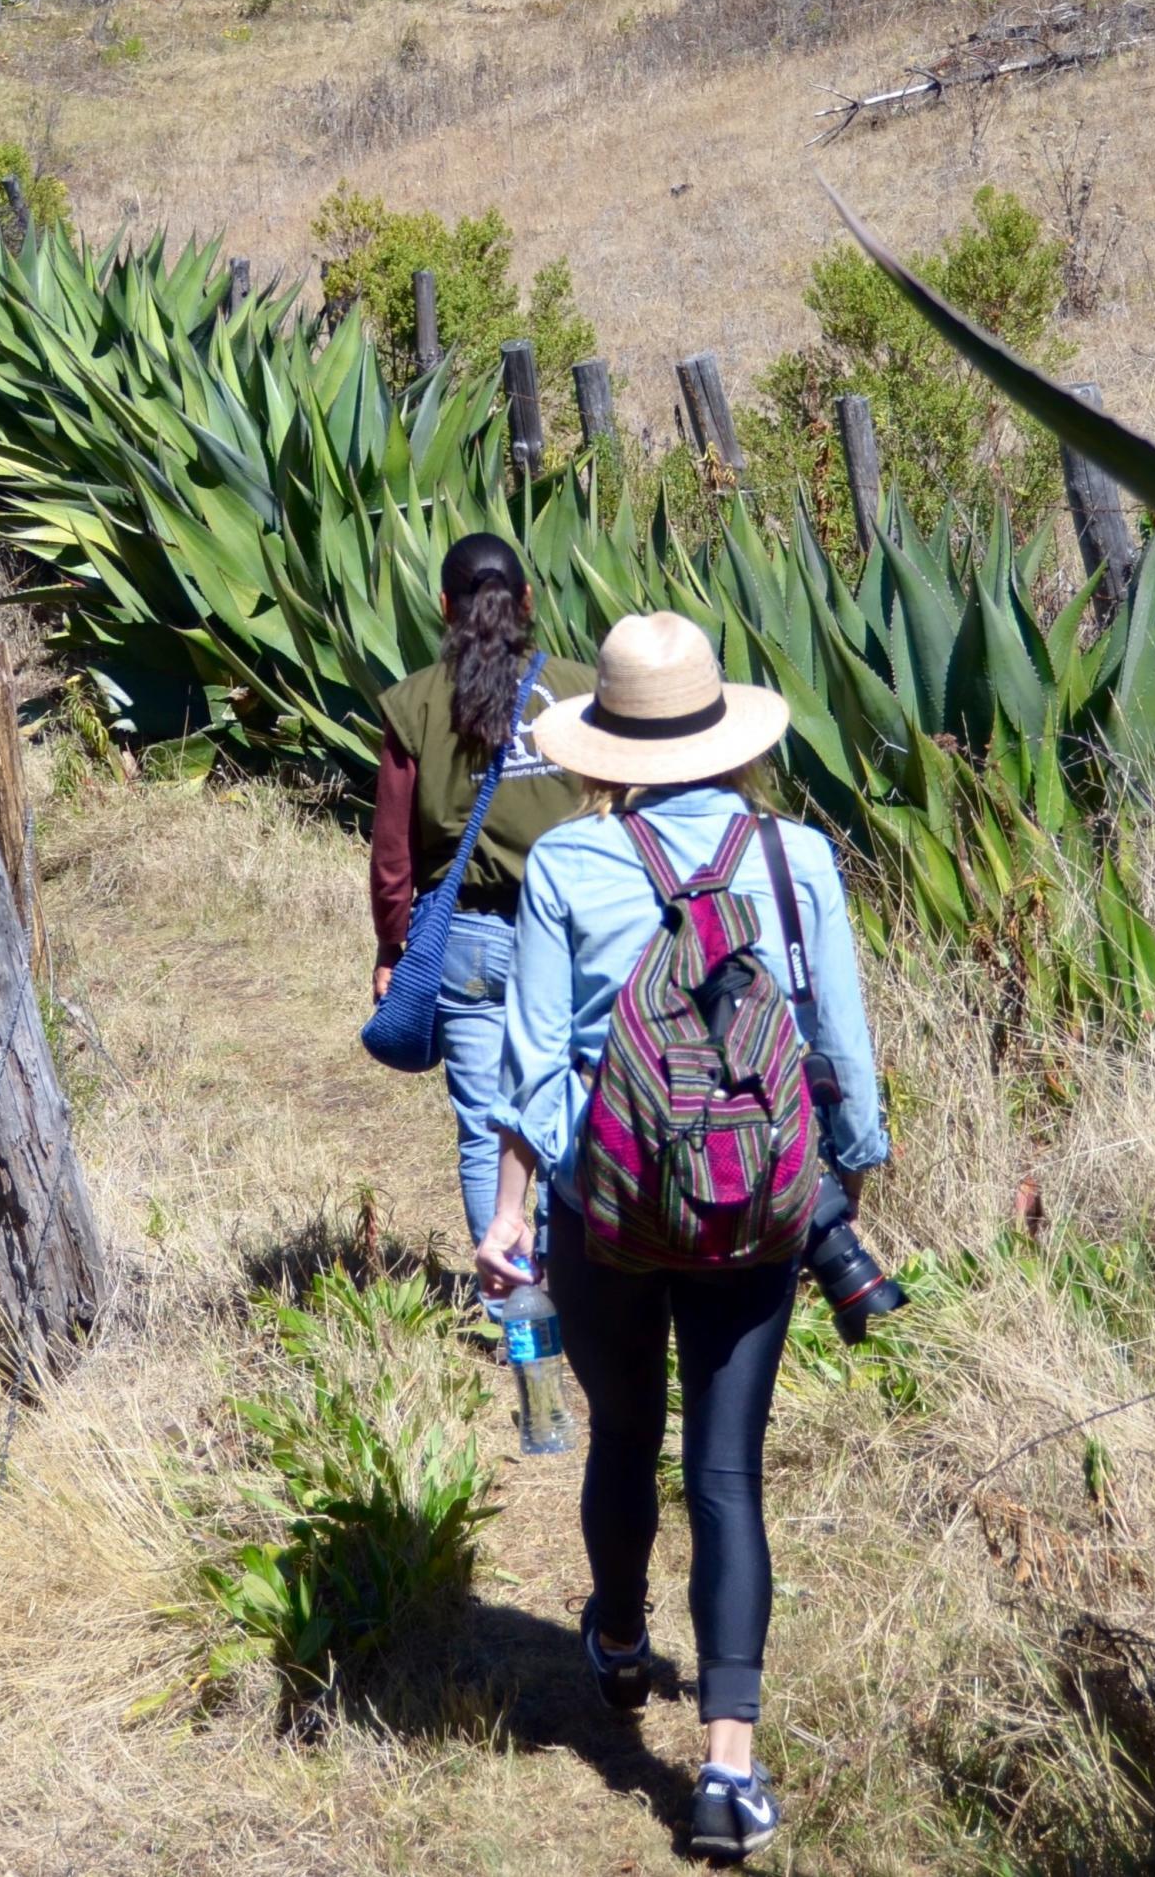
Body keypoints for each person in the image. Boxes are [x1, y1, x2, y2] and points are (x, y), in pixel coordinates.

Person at [474, 610, 889, 1863]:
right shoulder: (796, 854)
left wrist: (507, 1218)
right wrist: (846, 1177)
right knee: (724, 1474)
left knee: (621, 1435)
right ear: (726, 731)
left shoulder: (565, 865)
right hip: (754, 1212)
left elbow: (534, 1066)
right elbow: (843, 1055)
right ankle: (725, 1771)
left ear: (603, 742)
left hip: (604, 1213)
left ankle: (610, 1633)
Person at [370, 532, 594, 1266]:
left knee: (483, 1127)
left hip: (466, 937)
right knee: (562, 1108)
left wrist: (391, 944)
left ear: (443, 606)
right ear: (528, 601)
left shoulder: (414, 704)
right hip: (569, 933)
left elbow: (394, 851)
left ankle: (508, 1299)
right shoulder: (580, 690)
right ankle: (569, 1292)